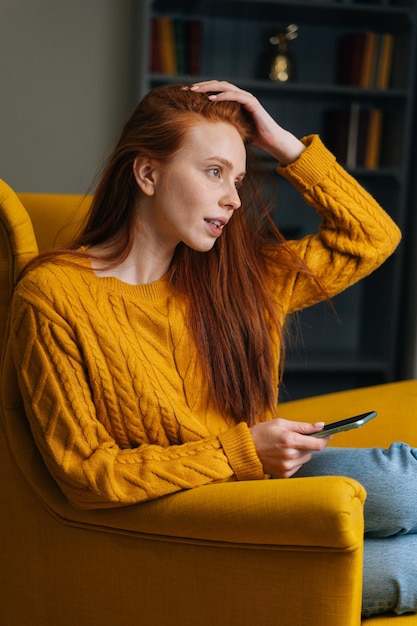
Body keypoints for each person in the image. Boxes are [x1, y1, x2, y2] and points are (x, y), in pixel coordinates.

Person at [9, 80, 416, 618]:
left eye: (240, 178)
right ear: (147, 173)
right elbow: (87, 473)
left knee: (399, 484)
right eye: (214, 172)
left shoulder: (238, 281)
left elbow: (371, 236)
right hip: (179, 523)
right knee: (401, 564)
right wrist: (241, 450)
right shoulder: (55, 295)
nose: (233, 198)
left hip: (258, 491)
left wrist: (284, 144)